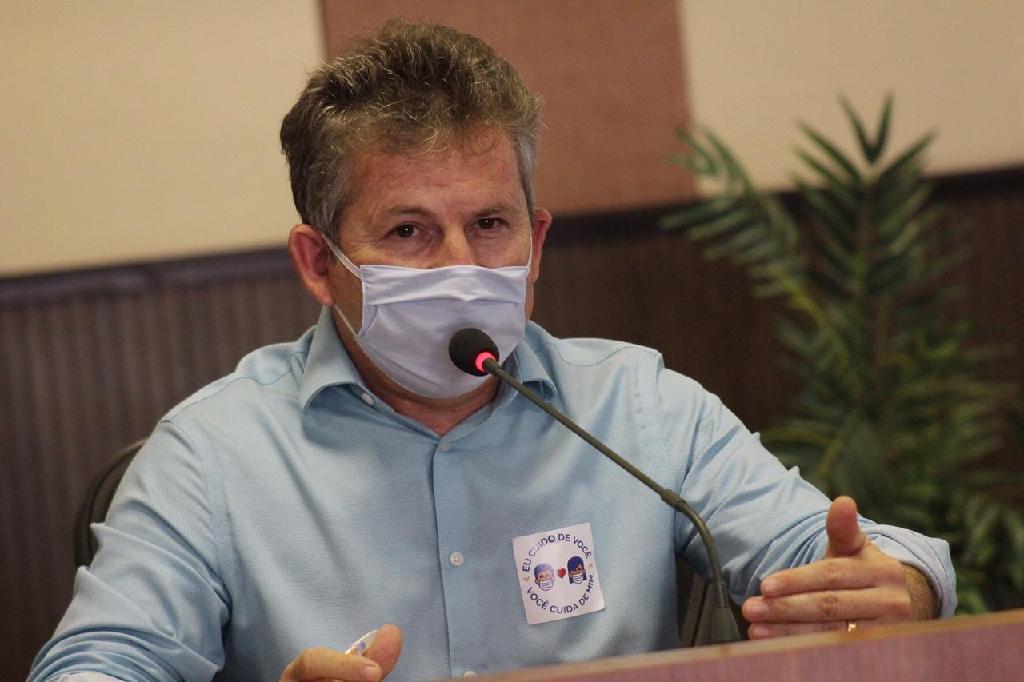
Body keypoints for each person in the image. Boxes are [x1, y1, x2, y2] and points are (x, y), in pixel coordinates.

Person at [31, 20, 955, 682]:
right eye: (408, 231)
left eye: (489, 224)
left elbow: (854, 559)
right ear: (318, 263)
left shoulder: (636, 409)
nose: (461, 267)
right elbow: (94, 665)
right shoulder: (212, 456)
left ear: (536, 242)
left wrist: (898, 588)